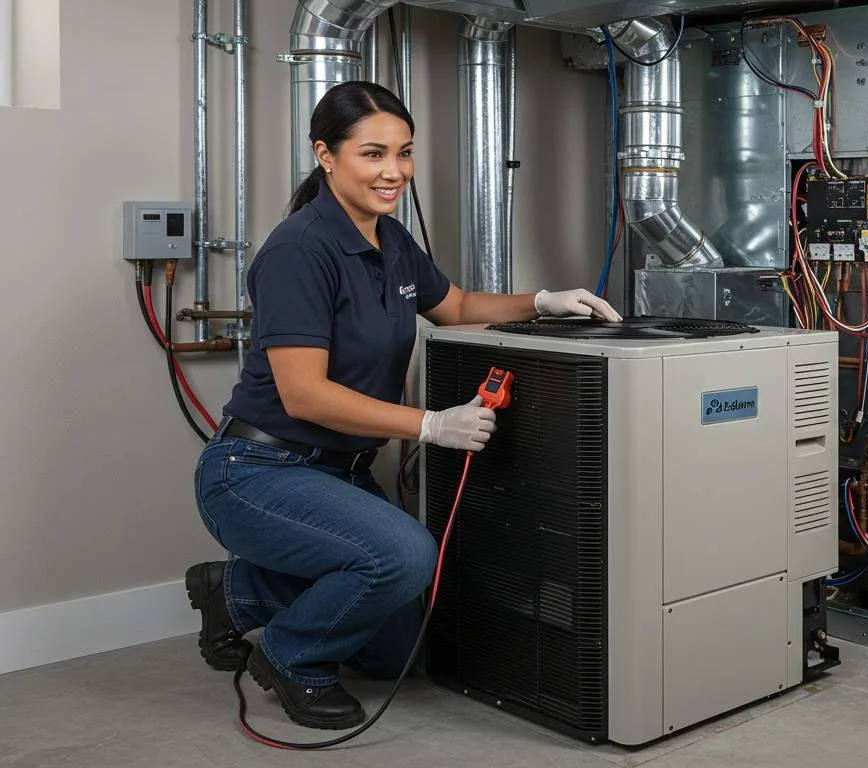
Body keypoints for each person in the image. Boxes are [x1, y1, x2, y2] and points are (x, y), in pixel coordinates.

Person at [184, 80, 622, 731]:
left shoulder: (392, 240)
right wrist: (431, 424)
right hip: (256, 471)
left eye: (404, 152)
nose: (393, 171)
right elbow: (304, 393)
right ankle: (288, 655)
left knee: (394, 655)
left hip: (340, 473)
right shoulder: (299, 251)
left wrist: (543, 300)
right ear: (326, 155)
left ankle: (237, 591)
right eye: (372, 154)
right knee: (406, 556)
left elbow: (458, 307)